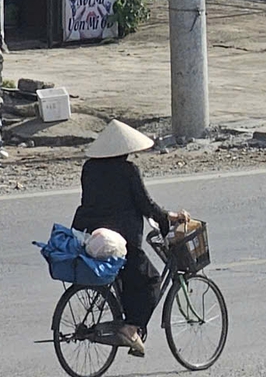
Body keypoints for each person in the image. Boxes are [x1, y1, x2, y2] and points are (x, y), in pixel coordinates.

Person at [72, 120, 184, 356]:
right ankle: (131, 329)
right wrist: (168, 217)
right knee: (151, 281)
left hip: (89, 236)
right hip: (120, 241)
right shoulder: (128, 170)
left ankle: (124, 320)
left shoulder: (89, 168)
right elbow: (146, 205)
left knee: (132, 276)